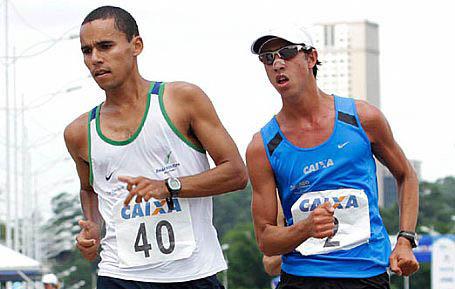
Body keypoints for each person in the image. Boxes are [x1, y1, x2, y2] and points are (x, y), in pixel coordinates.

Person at [64, 6, 247, 288]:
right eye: (87, 51)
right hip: (120, 275)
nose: (96, 59)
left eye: (105, 46)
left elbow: (235, 173)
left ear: (136, 45)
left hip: (193, 274)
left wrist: (168, 186)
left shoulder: (181, 100)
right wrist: (93, 229)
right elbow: (90, 189)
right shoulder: (78, 132)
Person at [246, 26, 420, 289]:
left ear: (311, 58)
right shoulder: (263, 146)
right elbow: (266, 240)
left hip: (366, 275)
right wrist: (305, 229)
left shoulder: (362, 118)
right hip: (303, 279)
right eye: (268, 58)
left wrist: (405, 240)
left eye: (287, 52)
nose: (278, 63)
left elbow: (406, 175)